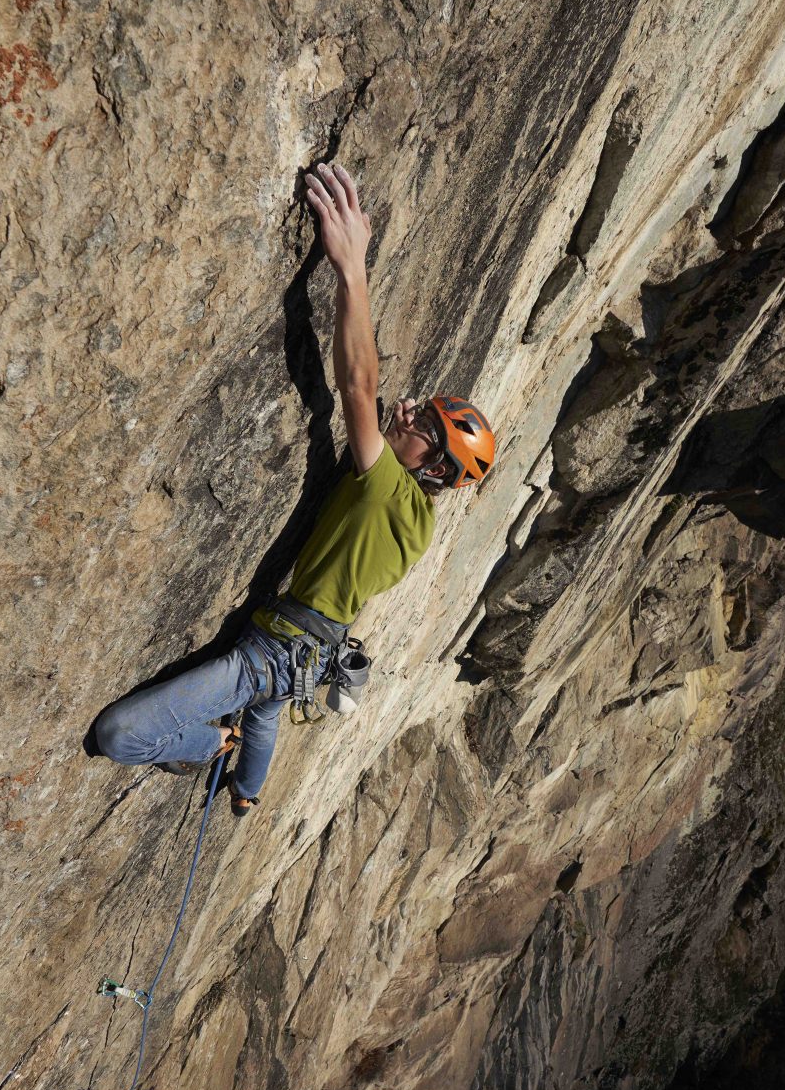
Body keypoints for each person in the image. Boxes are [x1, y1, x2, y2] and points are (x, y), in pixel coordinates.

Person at [95, 162, 495, 814]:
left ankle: (208, 746)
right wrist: (402, 439)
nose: (409, 414)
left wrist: (350, 267)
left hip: (280, 647)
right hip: (310, 644)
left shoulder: (386, 491)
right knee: (267, 711)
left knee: (120, 735)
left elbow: (357, 387)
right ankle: (248, 794)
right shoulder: (409, 515)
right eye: (422, 411)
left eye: (424, 424)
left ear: (434, 470)